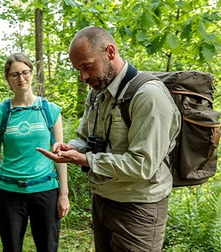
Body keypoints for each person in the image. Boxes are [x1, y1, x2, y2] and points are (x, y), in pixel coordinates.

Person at [39, 26, 181, 252]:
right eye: (78, 69)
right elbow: (85, 138)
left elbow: (143, 165)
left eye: (87, 66)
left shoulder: (148, 96)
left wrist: (85, 160)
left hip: (138, 207)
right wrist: (70, 148)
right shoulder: (98, 91)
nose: (83, 77)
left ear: (110, 52)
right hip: (103, 199)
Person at [0, 53, 70, 252]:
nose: (21, 78)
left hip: (45, 190)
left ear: (32, 74)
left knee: (48, 248)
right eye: (14, 74)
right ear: (7, 79)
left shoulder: (50, 110)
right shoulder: (0, 112)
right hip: (9, 192)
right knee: (11, 248)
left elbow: (60, 155)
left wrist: (63, 194)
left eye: (25, 73)